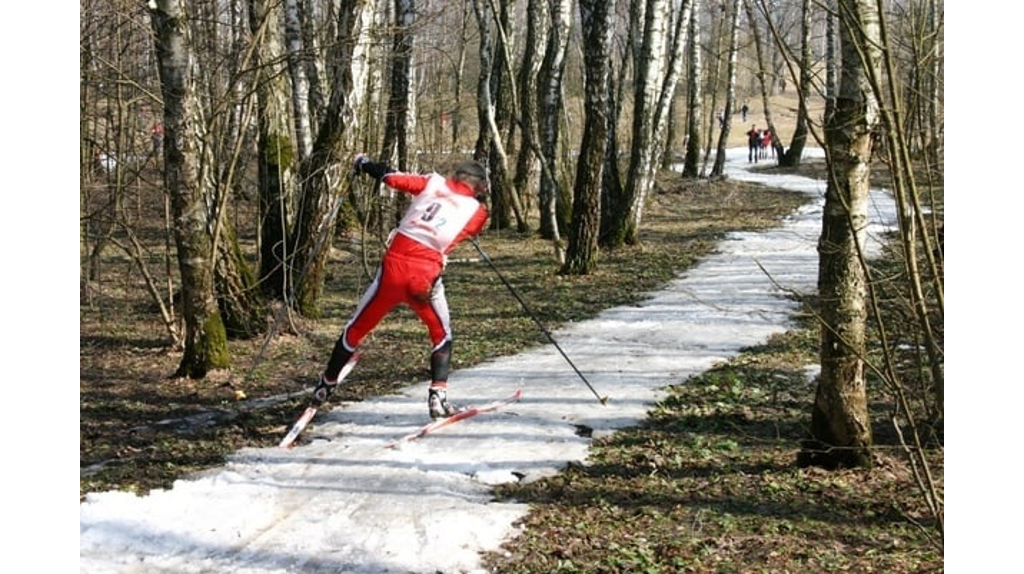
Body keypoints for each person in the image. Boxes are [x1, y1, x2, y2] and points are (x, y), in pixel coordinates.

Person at [311, 155, 491, 419]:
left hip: (393, 269)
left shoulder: (432, 182)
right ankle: (437, 397)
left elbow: (391, 177)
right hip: (424, 276)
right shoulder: (477, 210)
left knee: (356, 328)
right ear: (478, 185)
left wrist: (364, 164)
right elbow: (471, 230)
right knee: (441, 334)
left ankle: (326, 384)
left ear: (456, 175)